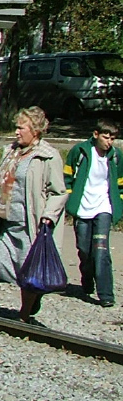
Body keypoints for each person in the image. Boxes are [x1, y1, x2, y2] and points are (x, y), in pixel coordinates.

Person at [0, 107, 66, 322]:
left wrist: (49, 215)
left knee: (27, 268)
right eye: (16, 127)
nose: (16, 132)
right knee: (3, 262)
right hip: (7, 220)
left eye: (21, 127)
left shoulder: (48, 156)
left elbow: (59, 192)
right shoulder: (11, 152)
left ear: (35, 130)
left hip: (31, 222)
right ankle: (33, 294)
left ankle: (24, 314)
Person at [64, 120, 121, 308]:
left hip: (103, 207)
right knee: (84, 250)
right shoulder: (79, 152)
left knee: (101, 250)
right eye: (106, 137)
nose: (109, 142)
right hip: (82, 208)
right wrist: (70, 199)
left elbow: (120, 183)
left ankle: (106, 294)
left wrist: (118, 203)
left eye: (113, 138)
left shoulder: (115, 156)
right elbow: (67, 177)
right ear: (96, 135)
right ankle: (87, 280)